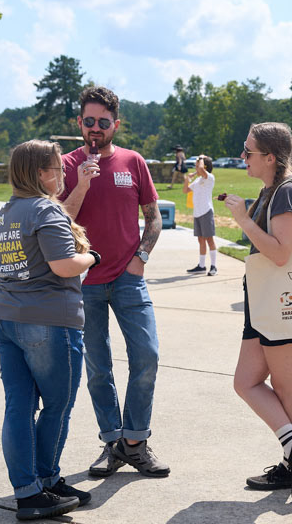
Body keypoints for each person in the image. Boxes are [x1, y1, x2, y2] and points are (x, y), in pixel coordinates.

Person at [59, 86, 170, 479]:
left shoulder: (133, 162)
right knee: (97, 366)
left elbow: (154, 217)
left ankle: (135, 443)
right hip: (83, 281)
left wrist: (141, 258)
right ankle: (111, 442)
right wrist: (82, 185)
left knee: (147, 356)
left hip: (127, 277)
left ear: (115, 125)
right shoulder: (66, 164)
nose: (94, 129)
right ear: (79, 122)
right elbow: (58, 220)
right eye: (88, 121)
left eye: (102, 123)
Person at [0, 140, 98, 520]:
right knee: (57, 405)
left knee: (18, 406)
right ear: (39, 173)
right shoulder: (46, 210)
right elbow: (64, 265)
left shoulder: (6, 213)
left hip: (4, 316)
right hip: (48, 321)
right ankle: (45, 481)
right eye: (57, 167)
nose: (64, 173)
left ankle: (31, 490)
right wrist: (92, 257)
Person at [222, 122, 292, 502]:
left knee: (286, 387)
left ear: (271, 157)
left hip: (285, 303)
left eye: (248, 152)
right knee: (245, 381)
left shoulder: (289, 192)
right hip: (266, 302)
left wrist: (244, 221)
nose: (243, 157)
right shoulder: (271, 190)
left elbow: (280, 253)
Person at [183, 154, 218, 276]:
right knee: (200, 240)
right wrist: (188, 178)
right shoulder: (198, 181)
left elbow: (202, 170)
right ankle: (201, 266)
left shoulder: (209, 178)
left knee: (209, 239)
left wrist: (201, 158)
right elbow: (185, 190)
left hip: (206, 212)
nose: (196, 168)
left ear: (204, 166)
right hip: (197, 213)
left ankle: (214, 266)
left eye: (197, 166)